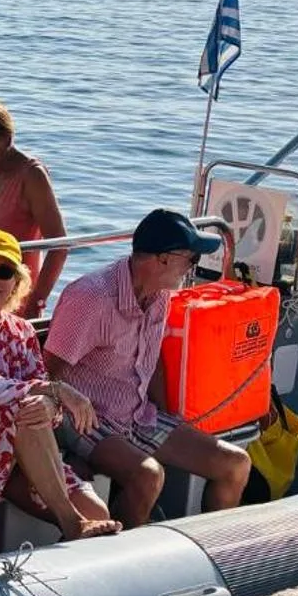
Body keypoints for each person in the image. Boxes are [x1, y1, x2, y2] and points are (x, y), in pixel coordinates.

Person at [45, 209, 253, 525]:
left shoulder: (160, 294)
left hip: (138, 414)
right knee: (148, 475)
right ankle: (114, 548)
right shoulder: (91, 298)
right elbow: (45, 371)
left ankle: (213, 546)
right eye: (192, 259)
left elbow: (151, 362)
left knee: (236, 464)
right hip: (86, 418)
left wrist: (172, 420)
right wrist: (59, 442)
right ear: (163, 260)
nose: (192, 268)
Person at [0, 230, 121, 541]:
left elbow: (49, 407)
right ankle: (71, 523)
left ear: (16, 282)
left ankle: (74, 531)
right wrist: (55, 391)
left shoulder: (22, 332)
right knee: (22, 408)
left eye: (4, 272)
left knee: (98, 512)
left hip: (25, 448)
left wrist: (50, 403)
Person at [0, 96, 70, 317]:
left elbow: (59, 246)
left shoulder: (32, 176)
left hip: (15, 301)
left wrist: (35, 302)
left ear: (6, 138)